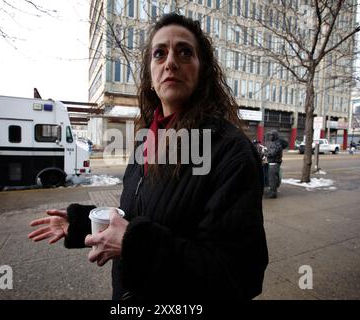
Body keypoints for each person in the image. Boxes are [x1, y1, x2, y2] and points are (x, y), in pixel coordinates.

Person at [28, 13, 268, 300]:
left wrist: (134, 244)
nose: (171, 62)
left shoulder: (231, 151)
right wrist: (84, 224)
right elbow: (141, 215)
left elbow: (240, 275)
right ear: (150, 76)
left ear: (203, 71)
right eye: (159, 53)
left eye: (184, 52)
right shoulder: (148, 140)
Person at [264, 130, 283, 199]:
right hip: (272, 164)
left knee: (273, 179)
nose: (270, 137)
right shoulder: (274, 143)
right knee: (272, 178)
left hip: (274, 164)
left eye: (272, 135)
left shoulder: (276, 144)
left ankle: (273, 193)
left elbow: (272, 154)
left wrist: (265, 153)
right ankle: (272, 191)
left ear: (275, 136)